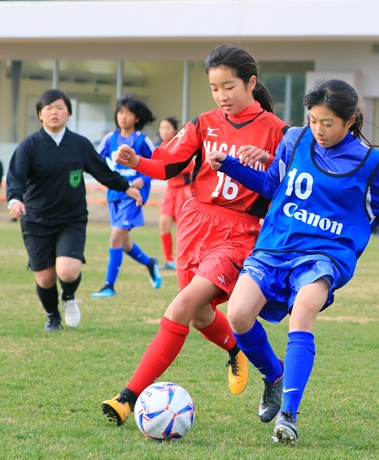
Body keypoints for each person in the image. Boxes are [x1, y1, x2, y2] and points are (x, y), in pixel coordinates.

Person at [207, 79, 379, 444]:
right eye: (313, 120)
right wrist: (230, 167)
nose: (319, 130)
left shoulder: (372, 165)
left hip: (324, 256)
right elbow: (273, 186)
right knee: (238, 315)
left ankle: (288, 416)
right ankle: (274, 375)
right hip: (276, 246)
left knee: (303, 313)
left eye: (328, 123)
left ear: (350, 120)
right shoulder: (295, 140)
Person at [100, 43, 288, 426]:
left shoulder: (278, 131)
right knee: (202, 315)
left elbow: (287, 185)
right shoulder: (204, 122)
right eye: (215, 88)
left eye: (229, 86)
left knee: (182, 307)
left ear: (251, 83)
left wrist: (268, 161)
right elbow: (169, 164)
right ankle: (255, 359)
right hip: (195, 222)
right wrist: (137, 162)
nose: (222, 96)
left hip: (239, 232)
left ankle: (127, 397)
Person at [5, 89, 142, 331]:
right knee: (46, 278)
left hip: (72, 219)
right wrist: (15, 200)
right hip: (36, 220)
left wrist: (126, 187)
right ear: (40, 114)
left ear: (68, 112)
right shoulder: (29, 146)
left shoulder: (79, 144)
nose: (54, 113)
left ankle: (68, 297)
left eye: (59, 107)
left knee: (67, 272)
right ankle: (52, 316)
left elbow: (102, 170)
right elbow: (16, 177)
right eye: (48, 108)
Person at [91, 95, 161, 298]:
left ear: (136, 118)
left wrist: (144, 178)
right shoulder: (110, 139)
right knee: (124, 242)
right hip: (115, 192)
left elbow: (158, 163)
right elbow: (97, 160)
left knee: (115, 238)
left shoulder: (141, 140)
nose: (123, 117)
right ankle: (150, 263)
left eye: (128, 113)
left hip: (134, 195)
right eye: (120, 112)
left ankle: (108, 286)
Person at [157, 117, 193, 270]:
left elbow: (189, 164)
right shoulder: (162, 146)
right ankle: (169, 261)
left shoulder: (179, 143)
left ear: (174, 130)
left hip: (182, 190)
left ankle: (185, 260)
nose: (164, 131)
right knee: (164, 224)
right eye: (161, 127)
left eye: (167, 127)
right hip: (170, 190)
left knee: (183, 228)